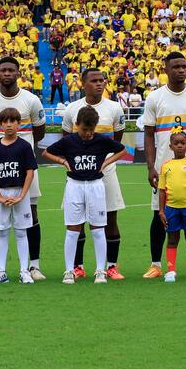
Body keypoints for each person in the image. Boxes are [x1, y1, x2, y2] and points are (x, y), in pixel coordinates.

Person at [141, 51, 186, 279]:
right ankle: (156, 264)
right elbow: (149, 134)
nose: (181, 70)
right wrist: (151, 166)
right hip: (165, 170)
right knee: (158, 215)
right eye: (176, 67)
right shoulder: (155, 98)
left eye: (184, 66)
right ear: (166, 69)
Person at [0, 56, 46, 280]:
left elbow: (40, 131)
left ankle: (33, 266)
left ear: (18, 73)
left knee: (31, 214)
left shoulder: (31, 100)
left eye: (11, 70)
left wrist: (21, 149)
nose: (7, 73)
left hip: (24, 167)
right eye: (3, 70)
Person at [43, 106, 127, 285]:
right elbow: (46, 152)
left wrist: (105, 163)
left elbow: (122, 150)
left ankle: (100, 270)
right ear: (76, 125)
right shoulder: (68, 141)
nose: (88, 133)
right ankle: (69, 270)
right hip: (74, 186)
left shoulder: (101, 140)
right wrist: (63, 161)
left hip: (96, 186)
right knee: (73, 229)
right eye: (84, 129)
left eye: (91, 129)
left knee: (97, 229)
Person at [60, 68, 127, 279]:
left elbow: (117, 139)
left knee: (110, 217)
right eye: (94, 80)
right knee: (77, 221)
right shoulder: (72, 109)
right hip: (78, 174)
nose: (99, 84)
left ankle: (111, 266)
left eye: (102, 80)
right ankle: (78, 266)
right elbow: (65, 140)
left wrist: (105, 161)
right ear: (83, 83)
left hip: (105, 171)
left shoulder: (115, 108)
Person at [0, 108, 36, 284]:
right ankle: (1, 271)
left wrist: (21, 195)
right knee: (2, 232)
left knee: (21, 232)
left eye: (13, 121)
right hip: (2, 195)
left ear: (19, 124)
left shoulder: (25, 146)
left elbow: (30, 172)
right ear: (0, 124)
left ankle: (24, 270)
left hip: (20, 192)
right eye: (5, 121)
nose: (9, 125)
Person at [157, 131, 186, 282]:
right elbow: (162, 191)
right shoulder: (165, 166)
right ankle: (171, 271)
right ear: (170, 146)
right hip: (171, 208)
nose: (179, 146)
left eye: (182, 143)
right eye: (176, 143)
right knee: (172, 239)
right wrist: (161, 211)